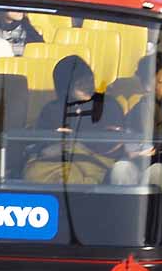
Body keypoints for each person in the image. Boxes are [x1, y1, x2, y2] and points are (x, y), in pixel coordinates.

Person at [26, 54, 124, 183]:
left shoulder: (108, 105)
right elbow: (39, 144)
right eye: (80, 83)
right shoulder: (51, 109)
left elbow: (114, 142)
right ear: (66, 86)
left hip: (93, 162)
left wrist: (76, 142)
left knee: (71, 178)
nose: (88, 86)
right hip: (54, 163)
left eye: (90, 80)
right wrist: (56, 138)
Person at [109, 53, 162, 192]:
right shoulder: (140, 108)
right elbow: (131, 146)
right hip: (143, 165)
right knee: (121, 169)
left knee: (156, 172)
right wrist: (137, 152)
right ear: (147, 86)